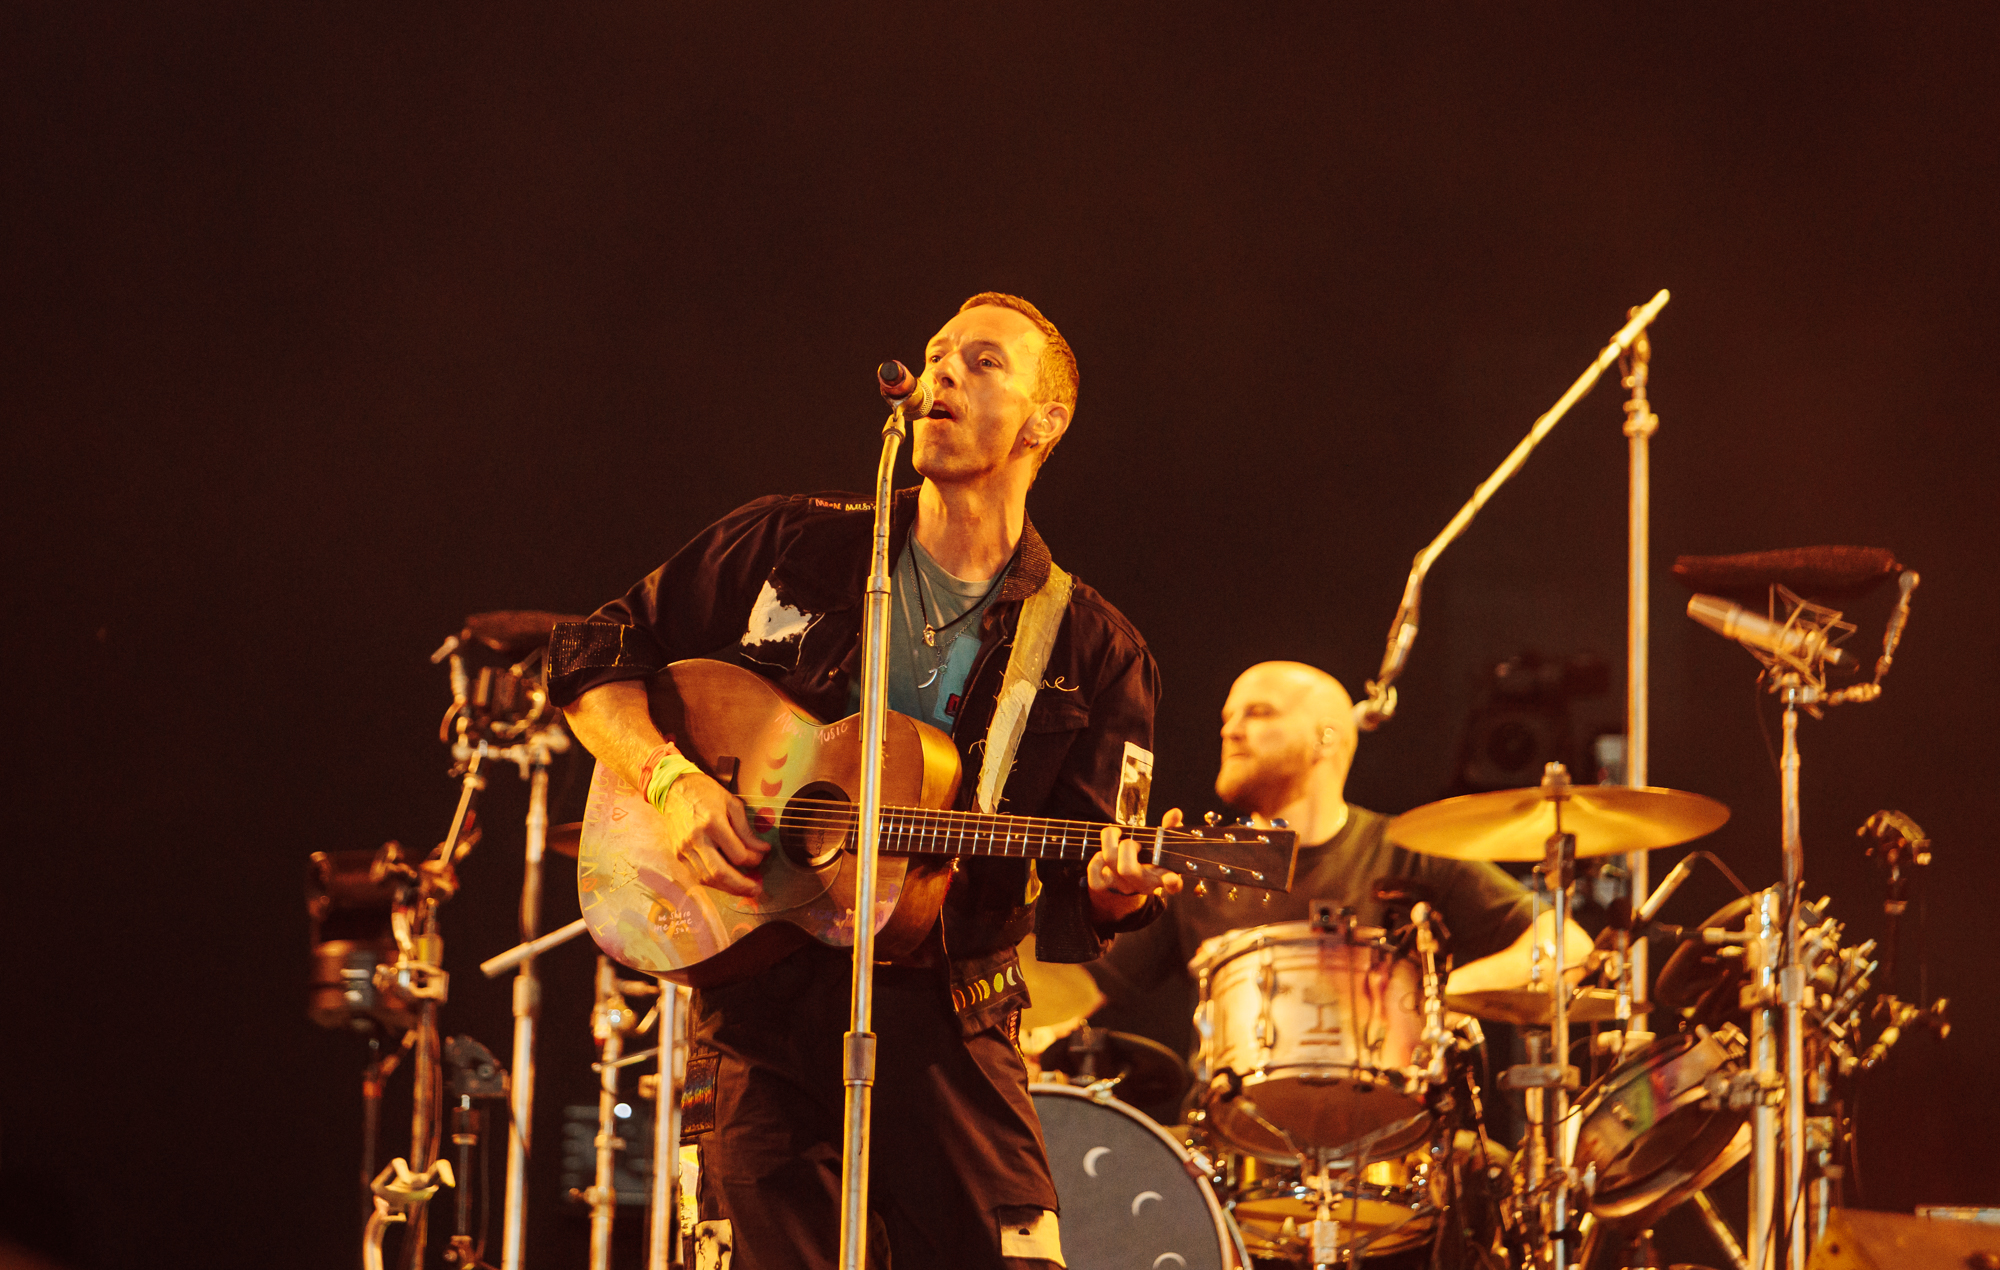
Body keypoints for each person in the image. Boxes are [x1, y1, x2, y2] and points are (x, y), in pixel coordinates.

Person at [548, 293, 1180, 1270]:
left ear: (1044, 420)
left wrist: (1108, 885)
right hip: (758, 1001)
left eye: (981, 362)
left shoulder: (1095, 648)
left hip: (951, 1013)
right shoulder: (793, 543)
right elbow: (592, 652)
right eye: (935, 357)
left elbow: (1083, 879)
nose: (944, 376)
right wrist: (669, 780)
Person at [1084, 660, 1592, 1072]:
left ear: (1326, 737)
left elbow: (1569, 945)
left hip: (1390, 1150)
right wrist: (1110, 901)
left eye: (1257, 713)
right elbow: (1071, 992)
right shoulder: (1194, 864)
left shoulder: (1407, 850)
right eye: (1227, 719)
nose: (1231, 731)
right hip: (1227, 1157)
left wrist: (1430, 1003)